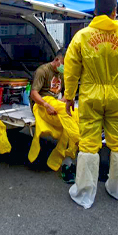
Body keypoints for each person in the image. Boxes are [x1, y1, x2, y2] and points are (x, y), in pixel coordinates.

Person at [64, 0, 118, 209]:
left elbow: (71, 70)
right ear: (115, 11)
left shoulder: (82, 36)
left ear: (95, 11)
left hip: (90, 95)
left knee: (89, 143)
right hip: (117, 95)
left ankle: (85, 194)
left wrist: (69, 96)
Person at [28, 49, 80, 183]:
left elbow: (65, 94)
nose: (65, 67)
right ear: (57, 60)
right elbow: (34, 93)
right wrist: (46, 105)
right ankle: (69, 158)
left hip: (56, 105)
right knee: (68, 118)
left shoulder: (63, 73)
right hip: (41, 105)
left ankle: (66, 159)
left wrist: (66, 100)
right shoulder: (43, 70)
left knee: (74, 115)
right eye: (63, 63)